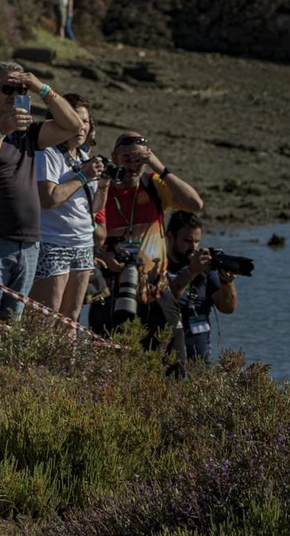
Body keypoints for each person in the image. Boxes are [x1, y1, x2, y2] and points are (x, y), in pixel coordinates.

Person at [0, 63, 82, 337]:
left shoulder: (28, 132)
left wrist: (42, 88)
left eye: (21, 90)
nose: (15, 94)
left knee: (9, 328)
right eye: (7, 88)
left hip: (27, 244)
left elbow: (73, 126)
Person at [91, 131, 205, 348]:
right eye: (127, 159)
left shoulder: (154, 184)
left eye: (139, 159)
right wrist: (101, 254)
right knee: (111, 362)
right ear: (114, 156)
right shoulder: (101, 189)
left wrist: (158, 166)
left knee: (172, 361)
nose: (133, 165)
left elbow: (195, 204)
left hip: (156, 290)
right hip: (111, 289)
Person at [30, 94, 105, 322]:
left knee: (71, 316)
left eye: (85, 121)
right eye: (75, 120)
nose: (81, 127)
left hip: (82, 243)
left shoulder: (84, 157)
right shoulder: (48, 153)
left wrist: (103, 184)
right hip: (53, 243)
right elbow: (49, 199)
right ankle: (41, 359)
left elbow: (93, 209)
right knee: (46, 317)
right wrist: (83, 175)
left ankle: (65, 360)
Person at [164, 212, 237, 364]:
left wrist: (226, 281)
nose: (193, 248)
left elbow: (228, 307)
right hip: (168, 362)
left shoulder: (205, 270)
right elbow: (168, 301)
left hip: (201, 364)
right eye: (187, 241)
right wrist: (191, 271)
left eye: (197, 242)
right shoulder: (160, 267)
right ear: (170, 237)